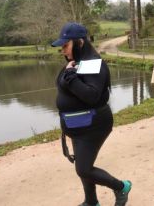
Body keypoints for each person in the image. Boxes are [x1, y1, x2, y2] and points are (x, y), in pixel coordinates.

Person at [53, 22, 131, 206]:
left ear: (79, 43)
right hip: (76, 126)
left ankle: (121, 187)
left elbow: (91, 96)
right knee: (82, 165)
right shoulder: (75, 63)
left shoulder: (93, 65)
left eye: (66, 45)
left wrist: (70, 77)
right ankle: (91, 201)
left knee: (84, 169)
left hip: (93, 126)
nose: (63, 50)